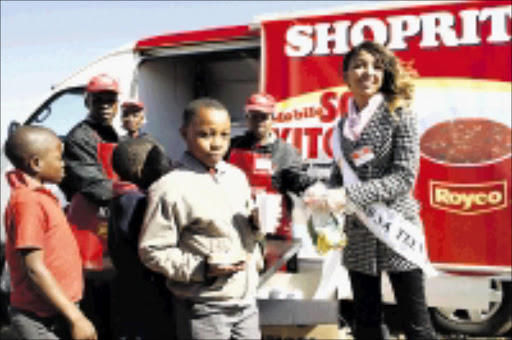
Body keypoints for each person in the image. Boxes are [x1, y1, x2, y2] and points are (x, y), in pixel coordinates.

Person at [321, 41, 438, 339]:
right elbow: (340, 174)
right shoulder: (341, 126)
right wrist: (323, 195)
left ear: (385, 74)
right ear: (346, 74)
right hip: (359, 232)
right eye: (359, 65)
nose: (367, 72)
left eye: (376, 66)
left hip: (397, 228)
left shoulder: (401, 114)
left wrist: (347, 197)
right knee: (367, 321)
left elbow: (403, 178)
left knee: (416, 323)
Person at [138, 97, 264, 340]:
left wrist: (256, 227)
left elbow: (247, 235)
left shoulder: (236, 177)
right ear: (184, 133)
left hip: (246, 301)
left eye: (225, 135)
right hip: (204, 307)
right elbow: (152, 251)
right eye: (206, 135)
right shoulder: (170, 187)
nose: (217, 144)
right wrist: (202, 268)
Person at [3, 126, 97, 340]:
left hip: (57, 311)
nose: (64, 164)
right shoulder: (28, 201)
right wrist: (76, 318)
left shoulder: (40, 197)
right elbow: (34, 269)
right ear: (36, 163)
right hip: (39, 319)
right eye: (59, 157)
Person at [59, 73, 120, 339]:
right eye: (98, 100)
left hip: (111, 224)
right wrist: (134, 196)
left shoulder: (115, 134)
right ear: (87, 101)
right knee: (94, 296)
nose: (105, 105)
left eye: (110, 99)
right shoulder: (79, 137)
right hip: (89, 228)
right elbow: (95, 187)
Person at [108, 138, 174, 339]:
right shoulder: (134, 201)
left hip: (131, 287)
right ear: (140, 169)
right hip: (143, 289)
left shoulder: (122, 196)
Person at [228, 92, 312, 237]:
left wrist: (315, 190)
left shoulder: (287, 152)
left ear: (273, 118)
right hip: (235, 225)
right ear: (247, 118)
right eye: (254, 116)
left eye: (264, 117)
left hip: (273, 229)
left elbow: (299, 182)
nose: (259, 121)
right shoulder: (232, 146)